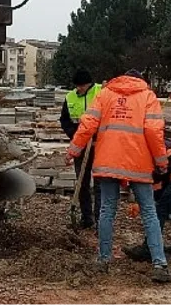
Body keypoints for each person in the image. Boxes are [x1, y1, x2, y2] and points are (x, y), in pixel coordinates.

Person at [66, 69, 171, 283]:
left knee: (107, 209)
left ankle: (104, 260)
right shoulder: (148, 97)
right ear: (140, 80)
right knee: (149, 212)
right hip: (138, 163)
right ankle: (159, 264)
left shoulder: (105, 94)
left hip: (108, 161)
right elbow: (154, 132)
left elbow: (88, 124)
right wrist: (161, 162)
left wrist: (73, 151)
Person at [59, 68, 103, 229]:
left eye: (81, 86)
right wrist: (75, 135)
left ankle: (100, 221)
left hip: (100, 145)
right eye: (77, 86)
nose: (79, 89)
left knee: (100, 184)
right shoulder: (70, 97)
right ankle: (86, 218)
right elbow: (64, 120)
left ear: (89, 84)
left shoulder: (101, 92)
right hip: (81, 145)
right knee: (82, 182)